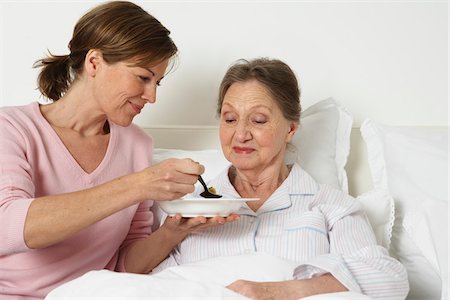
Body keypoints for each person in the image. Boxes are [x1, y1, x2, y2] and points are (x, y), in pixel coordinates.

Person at [0, 2, 237, 299]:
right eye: (143, 77)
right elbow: (8, 225)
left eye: (157, 83)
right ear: (95, 62)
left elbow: (124, 264)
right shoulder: (11, 128)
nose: (152, 96)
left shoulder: (137, 145)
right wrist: (138, 185)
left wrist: (174, 231)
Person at [153, 58, 410, 299]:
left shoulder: (330, 206)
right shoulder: (189, 212)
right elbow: (154, 286)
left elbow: (389, 280)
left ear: (290, 129)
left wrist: (276, 291)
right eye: (230, 119)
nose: (240, 134)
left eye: (258, 120)